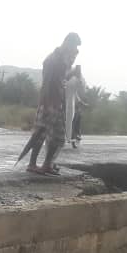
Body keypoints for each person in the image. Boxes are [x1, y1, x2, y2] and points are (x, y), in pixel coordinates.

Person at [26, 33, 82, 175]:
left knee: (57, 137)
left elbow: (61, 79)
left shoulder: (62, 60)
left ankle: (46, 165)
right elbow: (46, 83)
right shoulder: (53, 60)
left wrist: (73, 72)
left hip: (58, 103)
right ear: (67, 43)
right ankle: (32, 164)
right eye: (74, 47)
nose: (75, 52)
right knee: (40, 135)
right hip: (49, 103)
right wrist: (46, 104)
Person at [64, 65, 85, 149]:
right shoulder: (61, 73)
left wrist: (79, 77)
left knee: (70, 121)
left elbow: (78, 90)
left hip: (70, 103)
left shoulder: (76, 78)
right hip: (59, 101)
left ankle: (70, 138)